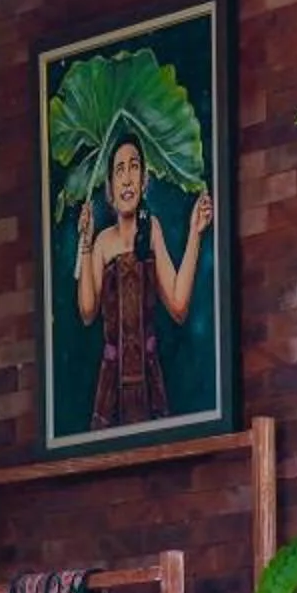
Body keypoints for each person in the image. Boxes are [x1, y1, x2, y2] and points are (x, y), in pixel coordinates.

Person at [74, 133, 211, 430]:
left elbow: (178, 305)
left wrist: (195, 234)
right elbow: (87, 311)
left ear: (144, 180)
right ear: (110, 187)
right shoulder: (101, 242)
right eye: (119, 170)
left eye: (133, 167)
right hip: (111, 385)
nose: (127, 179)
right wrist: (85, 243)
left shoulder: (152, 231)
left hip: (151, 382)